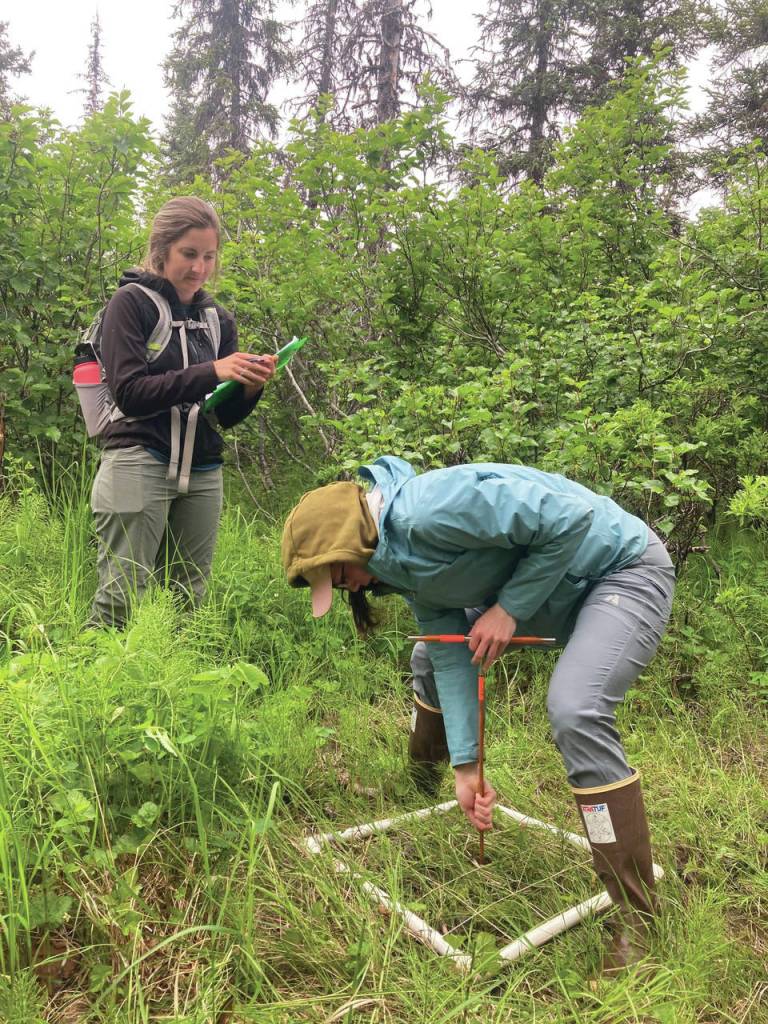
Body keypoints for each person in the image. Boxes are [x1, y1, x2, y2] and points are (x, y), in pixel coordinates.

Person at [281, 455, 675, 972]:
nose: (348, 587)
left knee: (576, 708)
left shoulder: (433, 510)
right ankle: (425, 780)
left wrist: (509, 608)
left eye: (337, 575)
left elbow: (571, 519)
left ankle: (637, 919)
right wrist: (468, 769)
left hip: (619, 570)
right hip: (557, 588)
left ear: (349, 539)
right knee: (428, 652)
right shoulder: (396, 564)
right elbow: (449, 652)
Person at [90, 196, 276, 628]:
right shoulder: (130, 303)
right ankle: (96, 687)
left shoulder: (218, 319)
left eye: (209, 256)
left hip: (203, 468)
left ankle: (180, 689)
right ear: (161, 251)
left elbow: (223, 416)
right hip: (139, 459)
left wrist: (248, 388)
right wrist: (211, 370)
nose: (199, 268)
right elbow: (130, 394)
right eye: (188, 254)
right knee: (121, 594)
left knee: (188, 596)